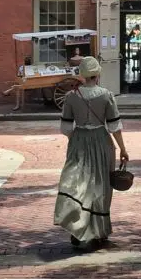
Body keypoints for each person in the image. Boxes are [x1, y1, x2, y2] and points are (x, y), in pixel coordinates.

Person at [54, 56, 129, 250]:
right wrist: (123, 148)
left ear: (82, 75)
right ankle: (99, 233)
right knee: (101, 186)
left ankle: (76, 228)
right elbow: (114, 126)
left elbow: (65, 127)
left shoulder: (71, 96)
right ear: (97, 75)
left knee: (76, 184)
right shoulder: (106, 95)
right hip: (101, 141)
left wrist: (75, 140)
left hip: (79, 140)